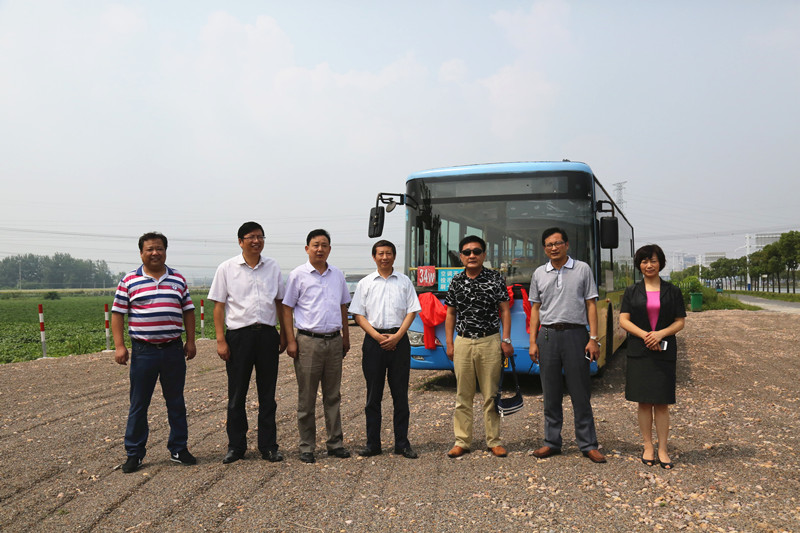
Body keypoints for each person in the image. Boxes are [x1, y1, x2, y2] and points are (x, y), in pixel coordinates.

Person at [111, 231, 197, 473]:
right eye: (149, 249)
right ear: (141, 253)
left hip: (173, 350)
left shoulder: (178, 279)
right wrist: (120, 346)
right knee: (139, 404)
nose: (155, 253)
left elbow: (188, 310)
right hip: (143, 351)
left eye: (159, 248)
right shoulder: (129, 280)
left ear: (165, 251)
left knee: (176, 402)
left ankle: (179, 448)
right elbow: (117, 313)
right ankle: (134, 453)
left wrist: (191, 341)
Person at [208, 222, 288, 464]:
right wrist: (220, 340)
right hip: (238, 337)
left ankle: (268, 446)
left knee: (268, 395)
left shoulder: (273, 267)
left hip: (267, 335)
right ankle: (236, 447)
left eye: (260, 236)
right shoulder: (226, 268)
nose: (256, 241)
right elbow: (219, 306)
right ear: (240, 241)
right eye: (251, 237)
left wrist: (285, 334)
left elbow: (280, 303)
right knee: (237, 394)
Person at [528, 227, 606, 463]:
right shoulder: (539, 273)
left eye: (557, 243)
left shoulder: (582, 269)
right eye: (549, 245)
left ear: (566, 245)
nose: (554, 248)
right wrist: (532, 341)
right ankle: (551, 442)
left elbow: (591, 304)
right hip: (548, 335)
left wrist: (593, 338)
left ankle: (588, 444)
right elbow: (535, 308)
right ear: (544, 249)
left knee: (580, 392)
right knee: (550, 393)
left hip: (576, 335)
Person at [282, 229, 352, 464]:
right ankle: (307, 446)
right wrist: (291, 340)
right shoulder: (297, 275)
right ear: (307, 248)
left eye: (324, 245)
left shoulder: (337, 275)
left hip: (334, 340)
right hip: (307, 342)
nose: (320, 249)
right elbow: (287, 308)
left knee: (333, 395)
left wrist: (345, 337)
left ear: (330, 249)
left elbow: (343, 306)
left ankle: (335, 443)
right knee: (307, 396)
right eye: (315, 245)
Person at [348, 240, 421, 459]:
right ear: (374, 257)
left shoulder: (404, 281)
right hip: (374, 341)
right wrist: (377, 336)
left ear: (394, 256)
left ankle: (402, 444)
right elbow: (358, 315)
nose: (384, 257)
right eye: (380, 253)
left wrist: (398, 336)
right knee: (373, 395)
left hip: (399, 340)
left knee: (400, 395)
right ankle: (373, 444)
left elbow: (412, 311)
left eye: (388, 253)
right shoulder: (365, 283)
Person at [444, 235, 513, 459]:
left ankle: (494, 441)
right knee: (463, 395)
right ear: (461, 256)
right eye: (467, 252)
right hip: (463, 342)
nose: (471, 255)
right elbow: (450, 313)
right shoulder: (456, 281)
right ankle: (462, 441)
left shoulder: (495, 279)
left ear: (484, 255)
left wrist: (506, 339)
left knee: (490, 394)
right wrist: (449, 343)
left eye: (476, 251)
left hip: (489, 341)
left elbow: (505, 310)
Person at [619, 244, 686, 470]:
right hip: (640, 351)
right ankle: (648, 446)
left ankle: (663, 449)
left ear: (661, 263)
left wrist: (660, 334)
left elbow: (680, 322)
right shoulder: (631, 291)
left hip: (664, 351)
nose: (649, 265)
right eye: (644, 261)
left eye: (653, 261)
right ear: (639, 265)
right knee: (644, 401)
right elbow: (623, 320)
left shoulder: (672, 291)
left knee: (663, 403)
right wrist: (646, 336)